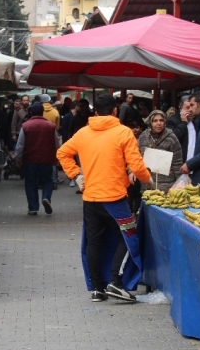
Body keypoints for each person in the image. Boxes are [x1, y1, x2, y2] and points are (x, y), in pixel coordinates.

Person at [56, 94, 152, 303]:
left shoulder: (83, 133)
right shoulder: (123, 132)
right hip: (116, 198)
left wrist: (76, 175)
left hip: (91, 198)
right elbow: (136, 166)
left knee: (94, 243)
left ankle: (97, 289)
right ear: (115, 110)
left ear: (95, 111)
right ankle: (115, 282)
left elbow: (62, 152)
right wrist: (148, 180)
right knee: (128, 238)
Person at [15, 102, 60, 215]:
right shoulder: (50, 126)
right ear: (42, 112)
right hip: (47, 159)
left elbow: (20, 144)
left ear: (31, 112)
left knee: (30, 183)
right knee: (47, 180)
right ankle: (46, 197)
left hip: (30, 160)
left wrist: (18, 158)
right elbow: (56, 143)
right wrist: (57, 157)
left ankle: (33, 207)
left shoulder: (26, 126)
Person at [135, 110, 183, 193]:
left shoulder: (171, 137)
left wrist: (179, 183)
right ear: (150, 122)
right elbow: (136, 157)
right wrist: (132, 171)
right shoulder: (143, 136)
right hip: (147, 184)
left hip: (166, 185)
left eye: (161, 120)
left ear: (165, 122)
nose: (158, 123)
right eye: (155, 121)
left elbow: (177, 162)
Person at [37, 94, 63, 186]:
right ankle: (54, 179)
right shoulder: (55, 112)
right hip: (52, 137)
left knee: (40, 158)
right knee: (52, 159)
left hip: (39, 137)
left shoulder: (39, 111)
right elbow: (58, 126)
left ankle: (41, 180)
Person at [166, 95, 194, 161]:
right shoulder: (172, 121)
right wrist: (184, 123)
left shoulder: (196, 120)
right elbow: (172, 139)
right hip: (179, 161)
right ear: (180, 108)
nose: (190, 110)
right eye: (187, 107)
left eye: (192, 107)